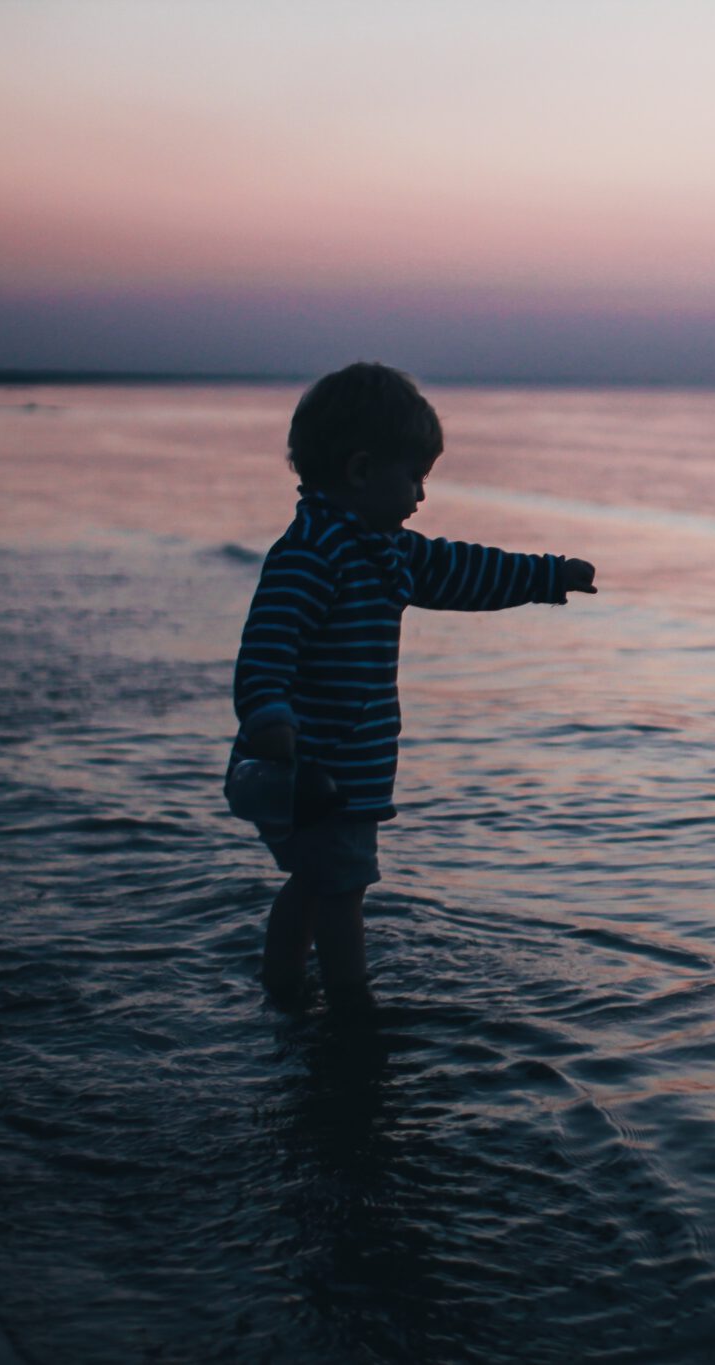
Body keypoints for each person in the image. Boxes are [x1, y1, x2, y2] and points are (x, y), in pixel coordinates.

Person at [230, 362, 596, 1012]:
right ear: (362, 470)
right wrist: (268, 715)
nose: (421, 496)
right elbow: (266, 646)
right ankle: (350, 1003)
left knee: (318, 883)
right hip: (312, 774)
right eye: (415, 477)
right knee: (340, 889)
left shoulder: (389, 550)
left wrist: (546, 575)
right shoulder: (313, 552)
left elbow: (466, 570)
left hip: (348, 772)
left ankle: (282, 985)